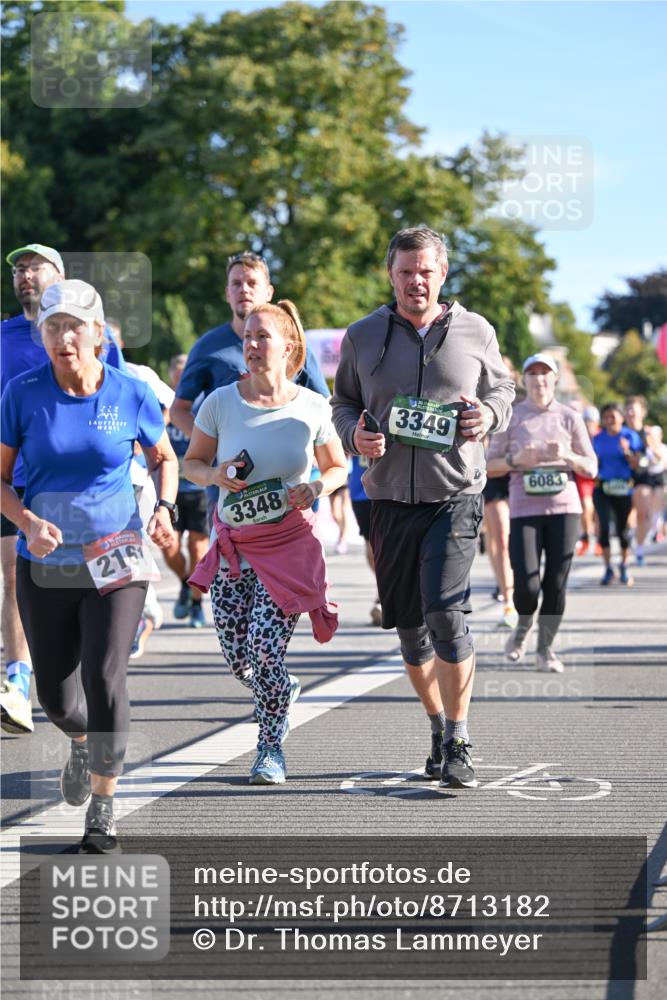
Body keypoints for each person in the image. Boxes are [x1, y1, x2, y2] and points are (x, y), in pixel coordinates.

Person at [331, 226, 515, 790]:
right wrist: (353, 437)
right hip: (387, 499)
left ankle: (460, 736)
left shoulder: (475, 331)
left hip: (454, 496)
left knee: (445, 614)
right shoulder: (362, 337)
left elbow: (504, 390)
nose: (417, 281)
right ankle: (436, 724)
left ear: (442, 275)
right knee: (409, 629)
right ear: (391, 275)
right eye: (406, 271)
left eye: (426, 272)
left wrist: (488, 415)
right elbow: (344, 403)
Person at [0, 280, 178, 853]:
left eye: (74, 326)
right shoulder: (21, 394)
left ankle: (103, 805)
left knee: (105, 675)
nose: (63, 337)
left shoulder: (129, 392)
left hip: (117, 556)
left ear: (98, 335)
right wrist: (26, 522)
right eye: (52, 327)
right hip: (46, 562)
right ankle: (79, 743)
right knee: (57, 698)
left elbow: (163, 456)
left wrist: (165, 508)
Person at [183, 299, 347, 786]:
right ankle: (282, 688)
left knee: (265, 649)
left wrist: (316, 487)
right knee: (240, 657)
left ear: (288, 345)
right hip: (234, 548)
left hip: (288, 549)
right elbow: (192, 462)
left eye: (262, 337)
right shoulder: (220, 402)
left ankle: (270, 748)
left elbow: (340, 467)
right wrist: (212, 474)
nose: (251, 346)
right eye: (247, 337)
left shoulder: (312, 407)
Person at [0, 244, 126, 736]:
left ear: (60, 276)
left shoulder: (100, 337)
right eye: (18, 269)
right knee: (14, 570)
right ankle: (16, 679)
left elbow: (114, 398)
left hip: (83, 486)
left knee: (82, 592)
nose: (25, 275)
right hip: (17, 482)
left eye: (35, 267)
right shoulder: (4, 337)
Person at [487, 354, 598, 672]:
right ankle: (522, 626)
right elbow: (488, 466)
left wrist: (568, 455)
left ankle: (545, 650)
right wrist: (516, 459)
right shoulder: (511, 417)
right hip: (524, 508)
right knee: (528, 584)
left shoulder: (570, 417)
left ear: (554, 379)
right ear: (524, 380)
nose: (539, 379)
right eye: (532, 374)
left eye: (544, 373)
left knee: (555, 583)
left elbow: (591, 467)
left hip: (565, 508)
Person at [170, 251, 329, 440]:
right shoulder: (206, 347)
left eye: (252, 283)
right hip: (230, 466)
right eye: (236, 284)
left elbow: (324, 405)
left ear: (269, 292)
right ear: (227, 294)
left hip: (287, 461)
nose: (244, 289)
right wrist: (211, 445)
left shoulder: (295, 343)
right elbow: (179, 411)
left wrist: (316, 450)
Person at [164, 354, 209, 627]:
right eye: (178, 376)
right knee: (169, 545)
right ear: (171, 377)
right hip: (171, 488)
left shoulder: (204, 403)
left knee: (198, 548)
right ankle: (184, 582)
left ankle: (196, 603)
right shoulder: (164, 405)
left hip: (199, 487)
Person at [592, 403, 643, 586]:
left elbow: (636, 464)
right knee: (604, 528)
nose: (609, 420)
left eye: (613, 416)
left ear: (621, 418)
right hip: (603, 487)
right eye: (606, 417)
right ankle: (607, 568)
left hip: (623, 488)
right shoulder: (597, 439)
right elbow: (593, 464)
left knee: (623, 530)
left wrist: (627, 451)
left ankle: (624, 565)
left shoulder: (630, 436)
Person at [348, 455, 382, 625]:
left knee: (389, 544)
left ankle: (385, 595)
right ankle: (383, 590)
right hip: (360, 491)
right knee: (370, 544)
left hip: (389, 487)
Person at [624, 395, 653, 565]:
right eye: (627, 410)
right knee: (628, 515)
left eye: (633, 410)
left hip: (643, 477)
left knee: (642, 514)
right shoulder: (620, 432)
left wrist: (652, 446)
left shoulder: (648, 433)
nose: (630, 413)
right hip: (623, 477)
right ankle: (627, 539)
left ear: (642, 413)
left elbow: (655, 458)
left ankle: (640, 548)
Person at [574, 405, 601, 555]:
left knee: (598, 510)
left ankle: (598, 539)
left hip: (598, 477)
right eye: (587, 421)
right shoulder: (579, 436)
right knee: (586, 506)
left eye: (592, 421)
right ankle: (586, 536)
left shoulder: (601, 435)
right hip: (583, 476)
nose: (590, 424)